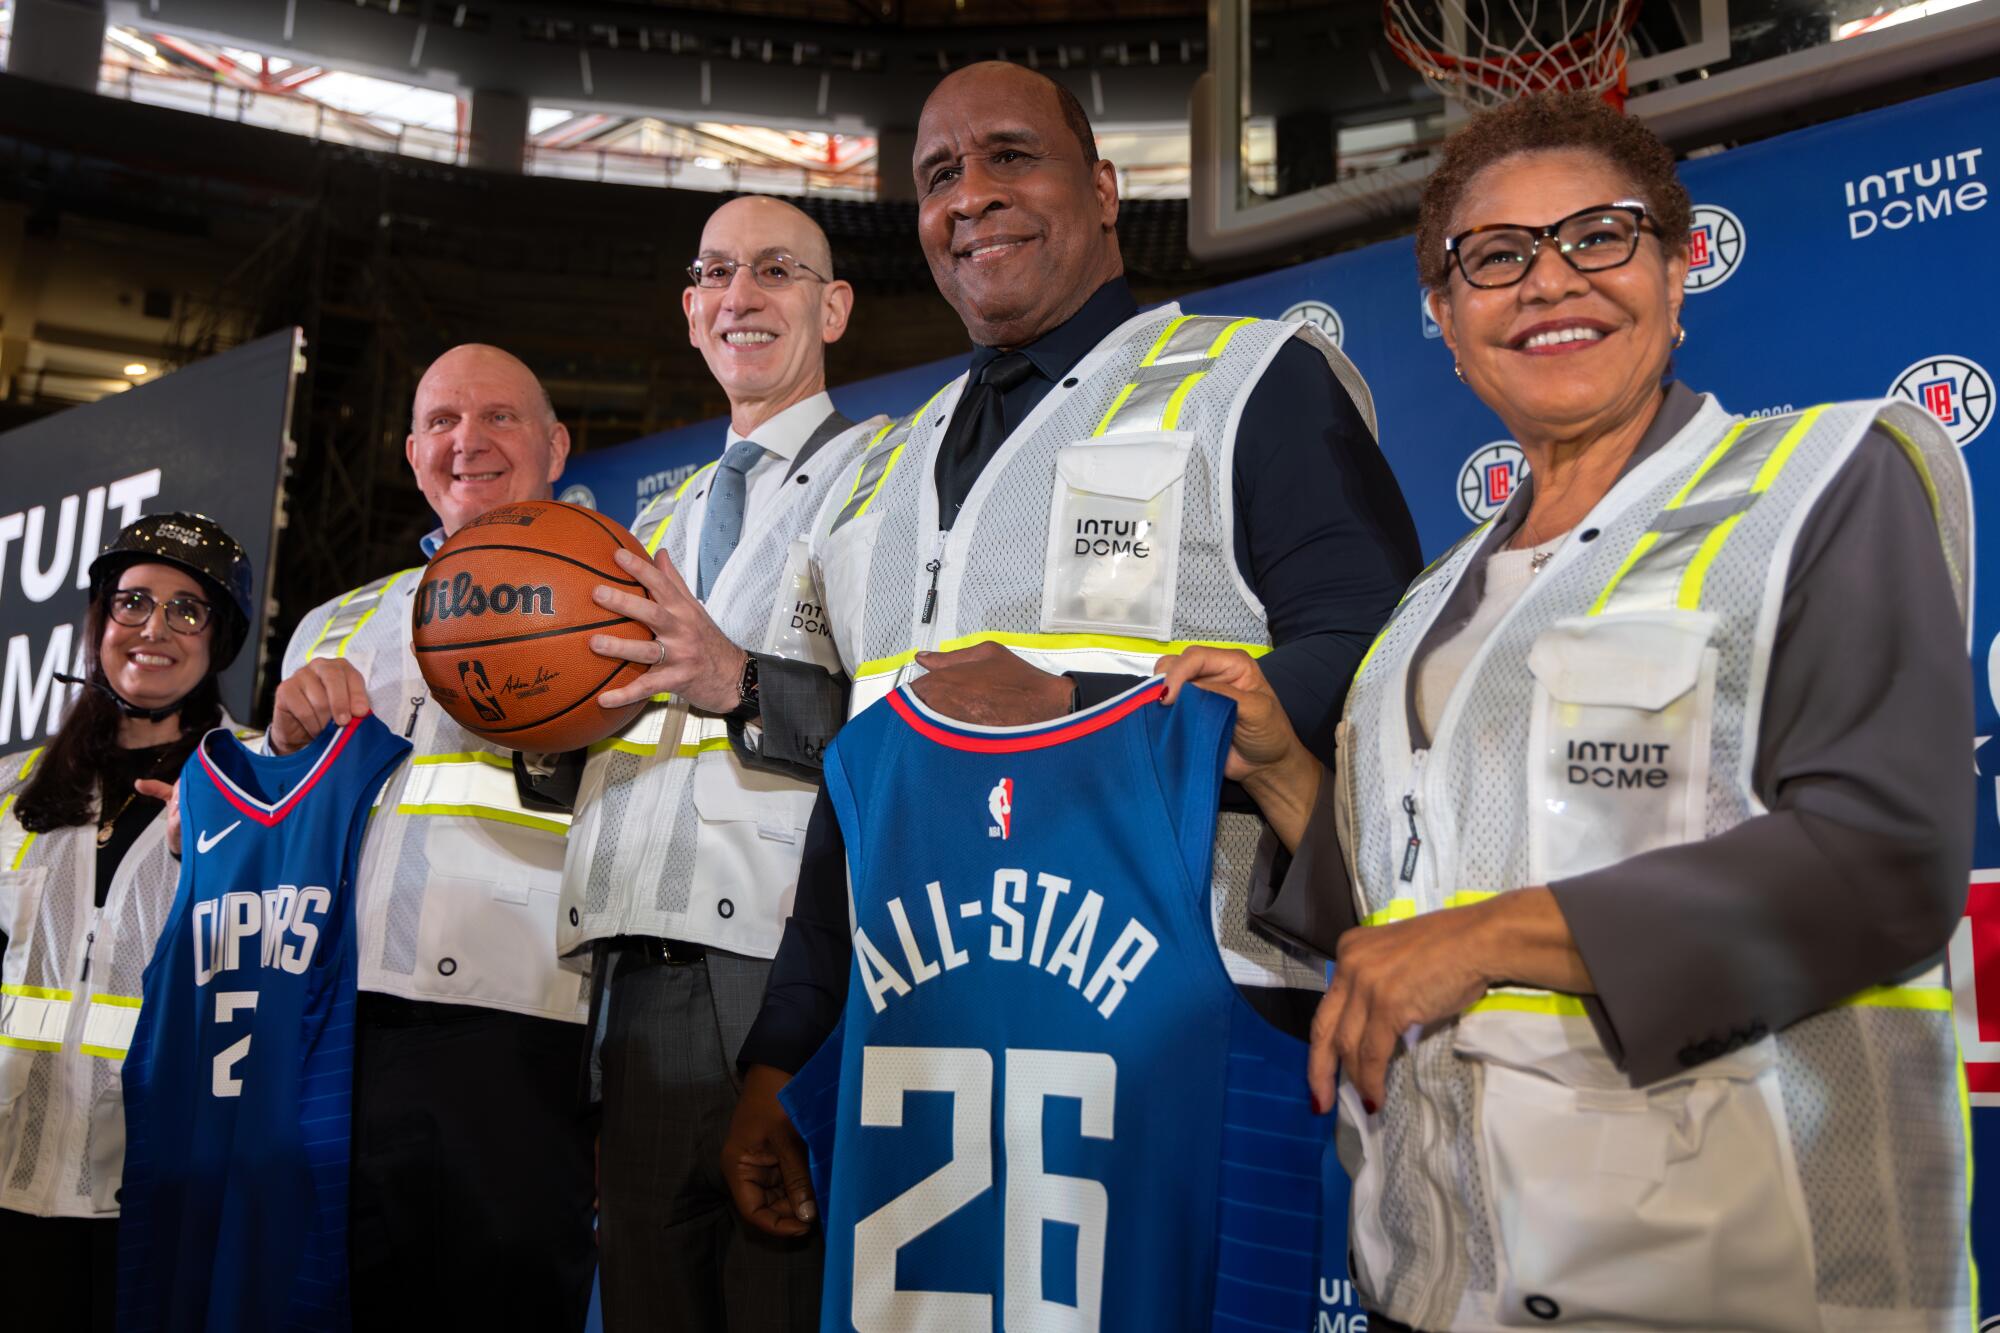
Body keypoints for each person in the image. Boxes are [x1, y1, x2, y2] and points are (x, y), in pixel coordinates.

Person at [1162, 91, 1974, 1331]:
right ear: (1441, 316)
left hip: (1730, 1288)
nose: (1548, 282)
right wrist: (1280, 768)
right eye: (1494, 257)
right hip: (1437, 1280)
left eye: (1596, 235)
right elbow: (1396, 909)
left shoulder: (1817, 483)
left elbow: (1882, 861)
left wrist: (1487, 939)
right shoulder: (1432, 600)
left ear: (1675, 263)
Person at [721, 60, 1423, 1238]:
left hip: (1194, 1022)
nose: (971, 193)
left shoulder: (1247, 379)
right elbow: (859, 782)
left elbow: (1370, 647)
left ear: (1102, 190)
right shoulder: (882, 471)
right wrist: (780, 1047)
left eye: (1009, 155)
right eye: (940, 174)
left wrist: (1083, 716)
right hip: (924, 1038)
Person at [558, 196, 872, 1331]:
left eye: (777, 271)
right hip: (634, 973)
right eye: (718, 274)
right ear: (691, 312)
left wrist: (740, 681)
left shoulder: (887, 473)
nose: (742, 295)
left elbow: (908, 723)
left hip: (785, 965)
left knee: (777, 1293)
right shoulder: (667, 517)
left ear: (830, 306)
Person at [269, 344, 595, 1329]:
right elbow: (280, 847)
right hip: (340, 1039)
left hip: (527, 1033)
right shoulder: (334, 622)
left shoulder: (618, 596)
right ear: (412, 454)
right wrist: (284, 746)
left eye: (498, 417)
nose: (468, 441)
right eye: (443, 422)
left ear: (555, 444)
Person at [0, 512, 253, 1333]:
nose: (154, 629)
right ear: (99, 621)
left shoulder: (259, 790)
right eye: (133, 601)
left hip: (158, 1197)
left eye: (188, 609)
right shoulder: (11, 788)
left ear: (221, 639)